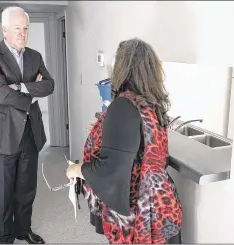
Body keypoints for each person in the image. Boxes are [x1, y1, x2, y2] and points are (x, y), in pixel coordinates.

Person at [66, 38, 183, 244]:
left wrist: (76, 169)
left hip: (138, 215)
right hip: (161, 208)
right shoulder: (151, 103)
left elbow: (110, 169)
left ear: (123, 68)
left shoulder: (123, 105)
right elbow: (138, 145)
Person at [0, 6, 54, 244]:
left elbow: (50, 85)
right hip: (3, 134)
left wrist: (21, 87)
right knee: (3, 192)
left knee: (26, 188)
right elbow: (0, 94)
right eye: (17, 29)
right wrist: (33, 90)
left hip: (30, 132)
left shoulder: (35, 56)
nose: (22, 33)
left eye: (25, 28)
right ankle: (5, 237)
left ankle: (23, 229)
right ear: (5, 30)